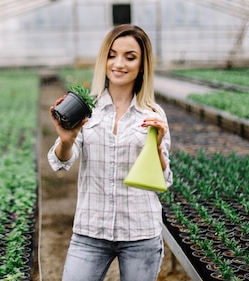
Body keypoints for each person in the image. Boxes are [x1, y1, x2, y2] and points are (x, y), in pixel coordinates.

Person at [48, 24, 173, 281]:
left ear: (142, 65)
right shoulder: (86, 109)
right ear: (103, 60)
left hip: (140, 231)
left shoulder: (153, 115)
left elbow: (164, 182)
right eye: (112, 55)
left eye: (130, 57)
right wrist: (66, 140)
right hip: (91, 231)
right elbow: (60, 163)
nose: (119, 64)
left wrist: (157, 147)